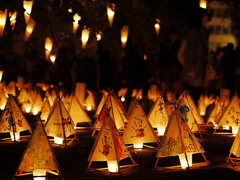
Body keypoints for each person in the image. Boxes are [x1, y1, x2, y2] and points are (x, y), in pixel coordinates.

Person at [178, 7, 209, 106]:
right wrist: (190, 67)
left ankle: (189, 119)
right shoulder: (194, 33)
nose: (207, 18)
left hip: (197, 70)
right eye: (205, 16)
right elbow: (190, 51)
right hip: (194, 72)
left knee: (194, 96)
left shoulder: (199, 32)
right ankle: (187, 120)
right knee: (192, 97)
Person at [157, 27, 182, 101]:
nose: (173, 37)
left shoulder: (179, 45)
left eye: (175, 35)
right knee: (164, 90)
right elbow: (160, 56)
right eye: (172, 35)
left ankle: (179, 105)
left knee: (179, 89)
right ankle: (163, 107)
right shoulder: (164, 45)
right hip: (165, 68)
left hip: (175, 69)